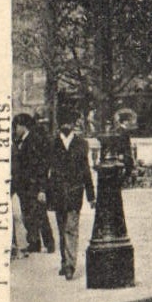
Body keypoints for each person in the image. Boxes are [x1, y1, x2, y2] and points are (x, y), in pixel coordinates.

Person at [47, 117, 96, 280]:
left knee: (71, 229)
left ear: (73, 125)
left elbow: (85, 170)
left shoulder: (81, 144)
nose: (66, 125)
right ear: (60, 124)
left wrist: (91, 195)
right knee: (61, 229)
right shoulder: (53, 144)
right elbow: (46, 170)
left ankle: (70, 265)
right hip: (57, 193)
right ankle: (64, 261)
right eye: (63, 122)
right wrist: (44, 191)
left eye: (69, 122)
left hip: (75, 192)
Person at [12, 114, 55, 255]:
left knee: (40, 215)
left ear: (23, 126)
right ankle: (34, 242)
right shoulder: (22, 141)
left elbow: (40, 166)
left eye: (16, 126)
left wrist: (42, 188)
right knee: (28, 215)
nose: (15, 129)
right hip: (24, 187)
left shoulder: (33, 141)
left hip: (33, 186)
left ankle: (49, 243)